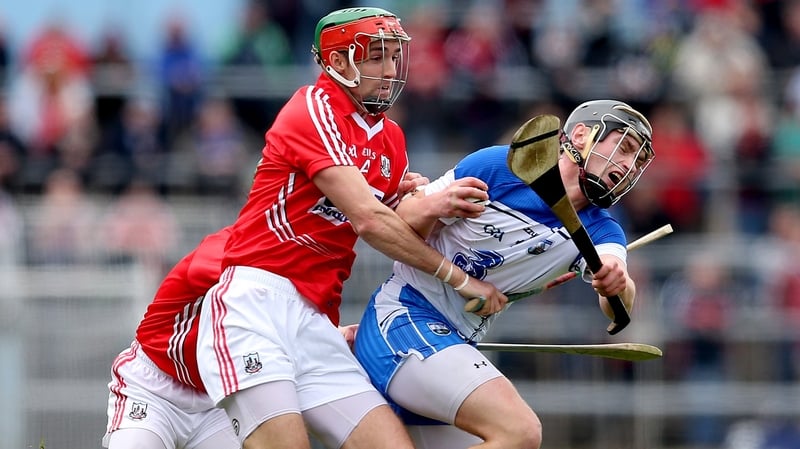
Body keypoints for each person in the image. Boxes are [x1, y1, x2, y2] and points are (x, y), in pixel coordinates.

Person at [193, 7, 505, 449]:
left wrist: (443, 210)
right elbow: (371, 221)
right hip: (254, 306)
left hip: (317, 318)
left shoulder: (390, 138)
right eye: (376, 56)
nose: (390, 69)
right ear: (338, 63)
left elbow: (403, 229)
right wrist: (459, 278)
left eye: (395, 56)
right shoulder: (311, 108)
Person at [354, 99, 656, 449]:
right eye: (625, 148)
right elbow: (396, 223)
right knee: (520, 431)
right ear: (581, 134)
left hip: (454, 343)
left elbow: (618, 298)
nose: (630, 166)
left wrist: (618, 284)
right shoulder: (498, 166)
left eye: (638, 162)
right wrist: (431, 206)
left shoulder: (603, 230)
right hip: (403, 320)